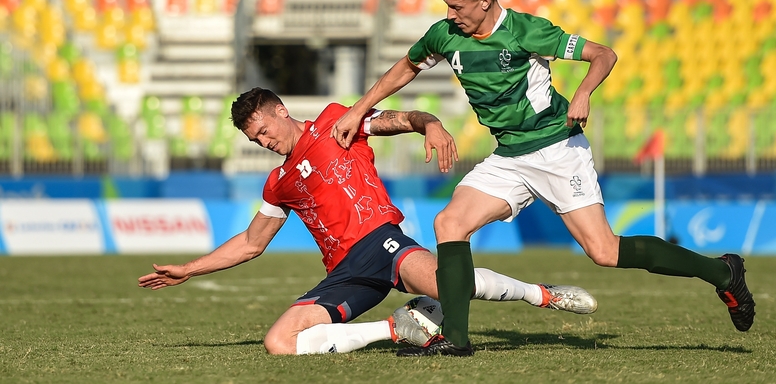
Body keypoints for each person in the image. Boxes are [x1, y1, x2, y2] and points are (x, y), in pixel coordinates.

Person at [331, 0, 755, 357]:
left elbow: (603, 54)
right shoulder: (445, 35)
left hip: (557, 150)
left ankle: (722, 272)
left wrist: (584, 92)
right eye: (447, 5)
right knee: (450, 222)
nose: (451, 14)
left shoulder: (526, 31)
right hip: (509, 156)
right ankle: (456, 339)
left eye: (458, 6)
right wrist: (357, 109)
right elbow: (407, 66)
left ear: (485, 0)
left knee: (604, 251)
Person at [138, 87, 598, 356]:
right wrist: (189, 269)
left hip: (380, 242)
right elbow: (252, 243)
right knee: (279, 342)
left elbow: (401, 119)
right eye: (254, 138)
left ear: (281, 110)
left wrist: (429, 123)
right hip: (344, 274)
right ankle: (397, 328)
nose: (263, 141)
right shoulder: (277, 182)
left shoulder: (336, 123)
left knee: (447, 286)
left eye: (263, 130)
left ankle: (544, 295)